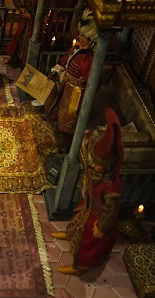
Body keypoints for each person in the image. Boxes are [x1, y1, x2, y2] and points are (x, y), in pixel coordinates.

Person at [52, 108, 123, 275]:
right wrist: (85, 185)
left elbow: (112, 211)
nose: (95, 165)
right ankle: (70, 235)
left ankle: (80, 267)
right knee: (77, 223)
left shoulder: (111, 187)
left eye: (99, 164)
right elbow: (89, 174)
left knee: (87, 243)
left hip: (98, 218)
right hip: (89, 207)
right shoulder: (96, 171)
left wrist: (102, 228)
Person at [44, 8, 99, 144]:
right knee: (60, 107)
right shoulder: (74, 49)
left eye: (82, 35)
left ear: (90, 41)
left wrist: (82, 86)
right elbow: (64, 62)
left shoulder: (89, 60)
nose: (78, 37)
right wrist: (55, 72)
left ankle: (67, 141)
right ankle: (58, 126)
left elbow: (93, 83)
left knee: (70, 117)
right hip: (66, 85)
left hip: (76, 94)